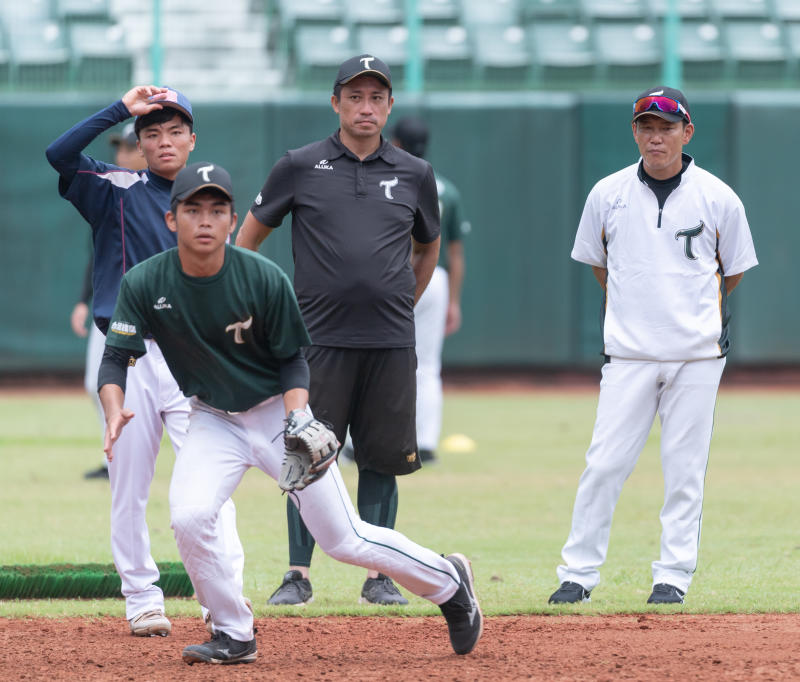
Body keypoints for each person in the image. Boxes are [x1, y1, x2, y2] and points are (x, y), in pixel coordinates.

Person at [98, 161, 482, 664]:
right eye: (193, 209)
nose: (206, 220)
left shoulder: (260, 278)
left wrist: (299, 418)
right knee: (190, 517)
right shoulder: (146, 282)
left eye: (217, 209)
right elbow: (115, 357)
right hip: (212, 418)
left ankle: (448, 582)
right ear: (173, 220)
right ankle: (235, 632)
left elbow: (293, 360)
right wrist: (113, 409)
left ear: (233, 220)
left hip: (276, 415)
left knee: (343, 539)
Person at [236, 55, 441, 607]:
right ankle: (296, 574)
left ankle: (380, 576)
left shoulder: (414, 174)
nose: (366, 107)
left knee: (381, 459)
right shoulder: (299, 166)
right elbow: (246, 241)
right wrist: (263, 307)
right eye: (355, 97)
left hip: (390, 341)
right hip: (316, 342)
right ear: (336, 103)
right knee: (305, 454)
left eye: (376, 97)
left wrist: (402, 300)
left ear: (390, 106)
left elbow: (428, 248)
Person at [547, 87, 758, 606]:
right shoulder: (608, 193)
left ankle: (673, 576)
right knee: (603, 465)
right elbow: (600, 264)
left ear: (687, 132)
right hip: (628, 354)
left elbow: (730, 273)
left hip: (696, 355)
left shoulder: (718, 196)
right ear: (635, 132)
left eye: (667, 126)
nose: (655, 136)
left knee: (684, 470)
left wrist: (684, 313)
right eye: (646, 126)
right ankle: (577, 574)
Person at [46, 86, 243, 637]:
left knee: (210, 483)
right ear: (139, 142)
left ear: (192, 139)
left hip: (194, 358)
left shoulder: (209, 201)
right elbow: (58, 155)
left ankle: (220, 596)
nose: (164, 140)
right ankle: (141, 597)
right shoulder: (116, 188)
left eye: (175, 130)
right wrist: (119, 108)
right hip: (129, 358)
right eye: (152, 132)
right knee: (127, 484)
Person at [390, 116, 470, 464]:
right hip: (434, 276)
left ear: (395, 143)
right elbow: (455, 253)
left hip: (391, 274)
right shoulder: (445, 189)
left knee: (368, 358)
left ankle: (352, 443)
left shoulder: (389, 180)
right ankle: (425, 443)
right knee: (427, 365)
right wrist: (453, 300)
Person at [71, 122, 147, 480]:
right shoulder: (110, 189)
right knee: (95, 383)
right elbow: (99, 254)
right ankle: (114, 455)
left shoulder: (162, 195)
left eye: (128, 146)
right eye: (119, 147)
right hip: (110, 307)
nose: (121, 152)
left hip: (151, 316)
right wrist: (84, 300)